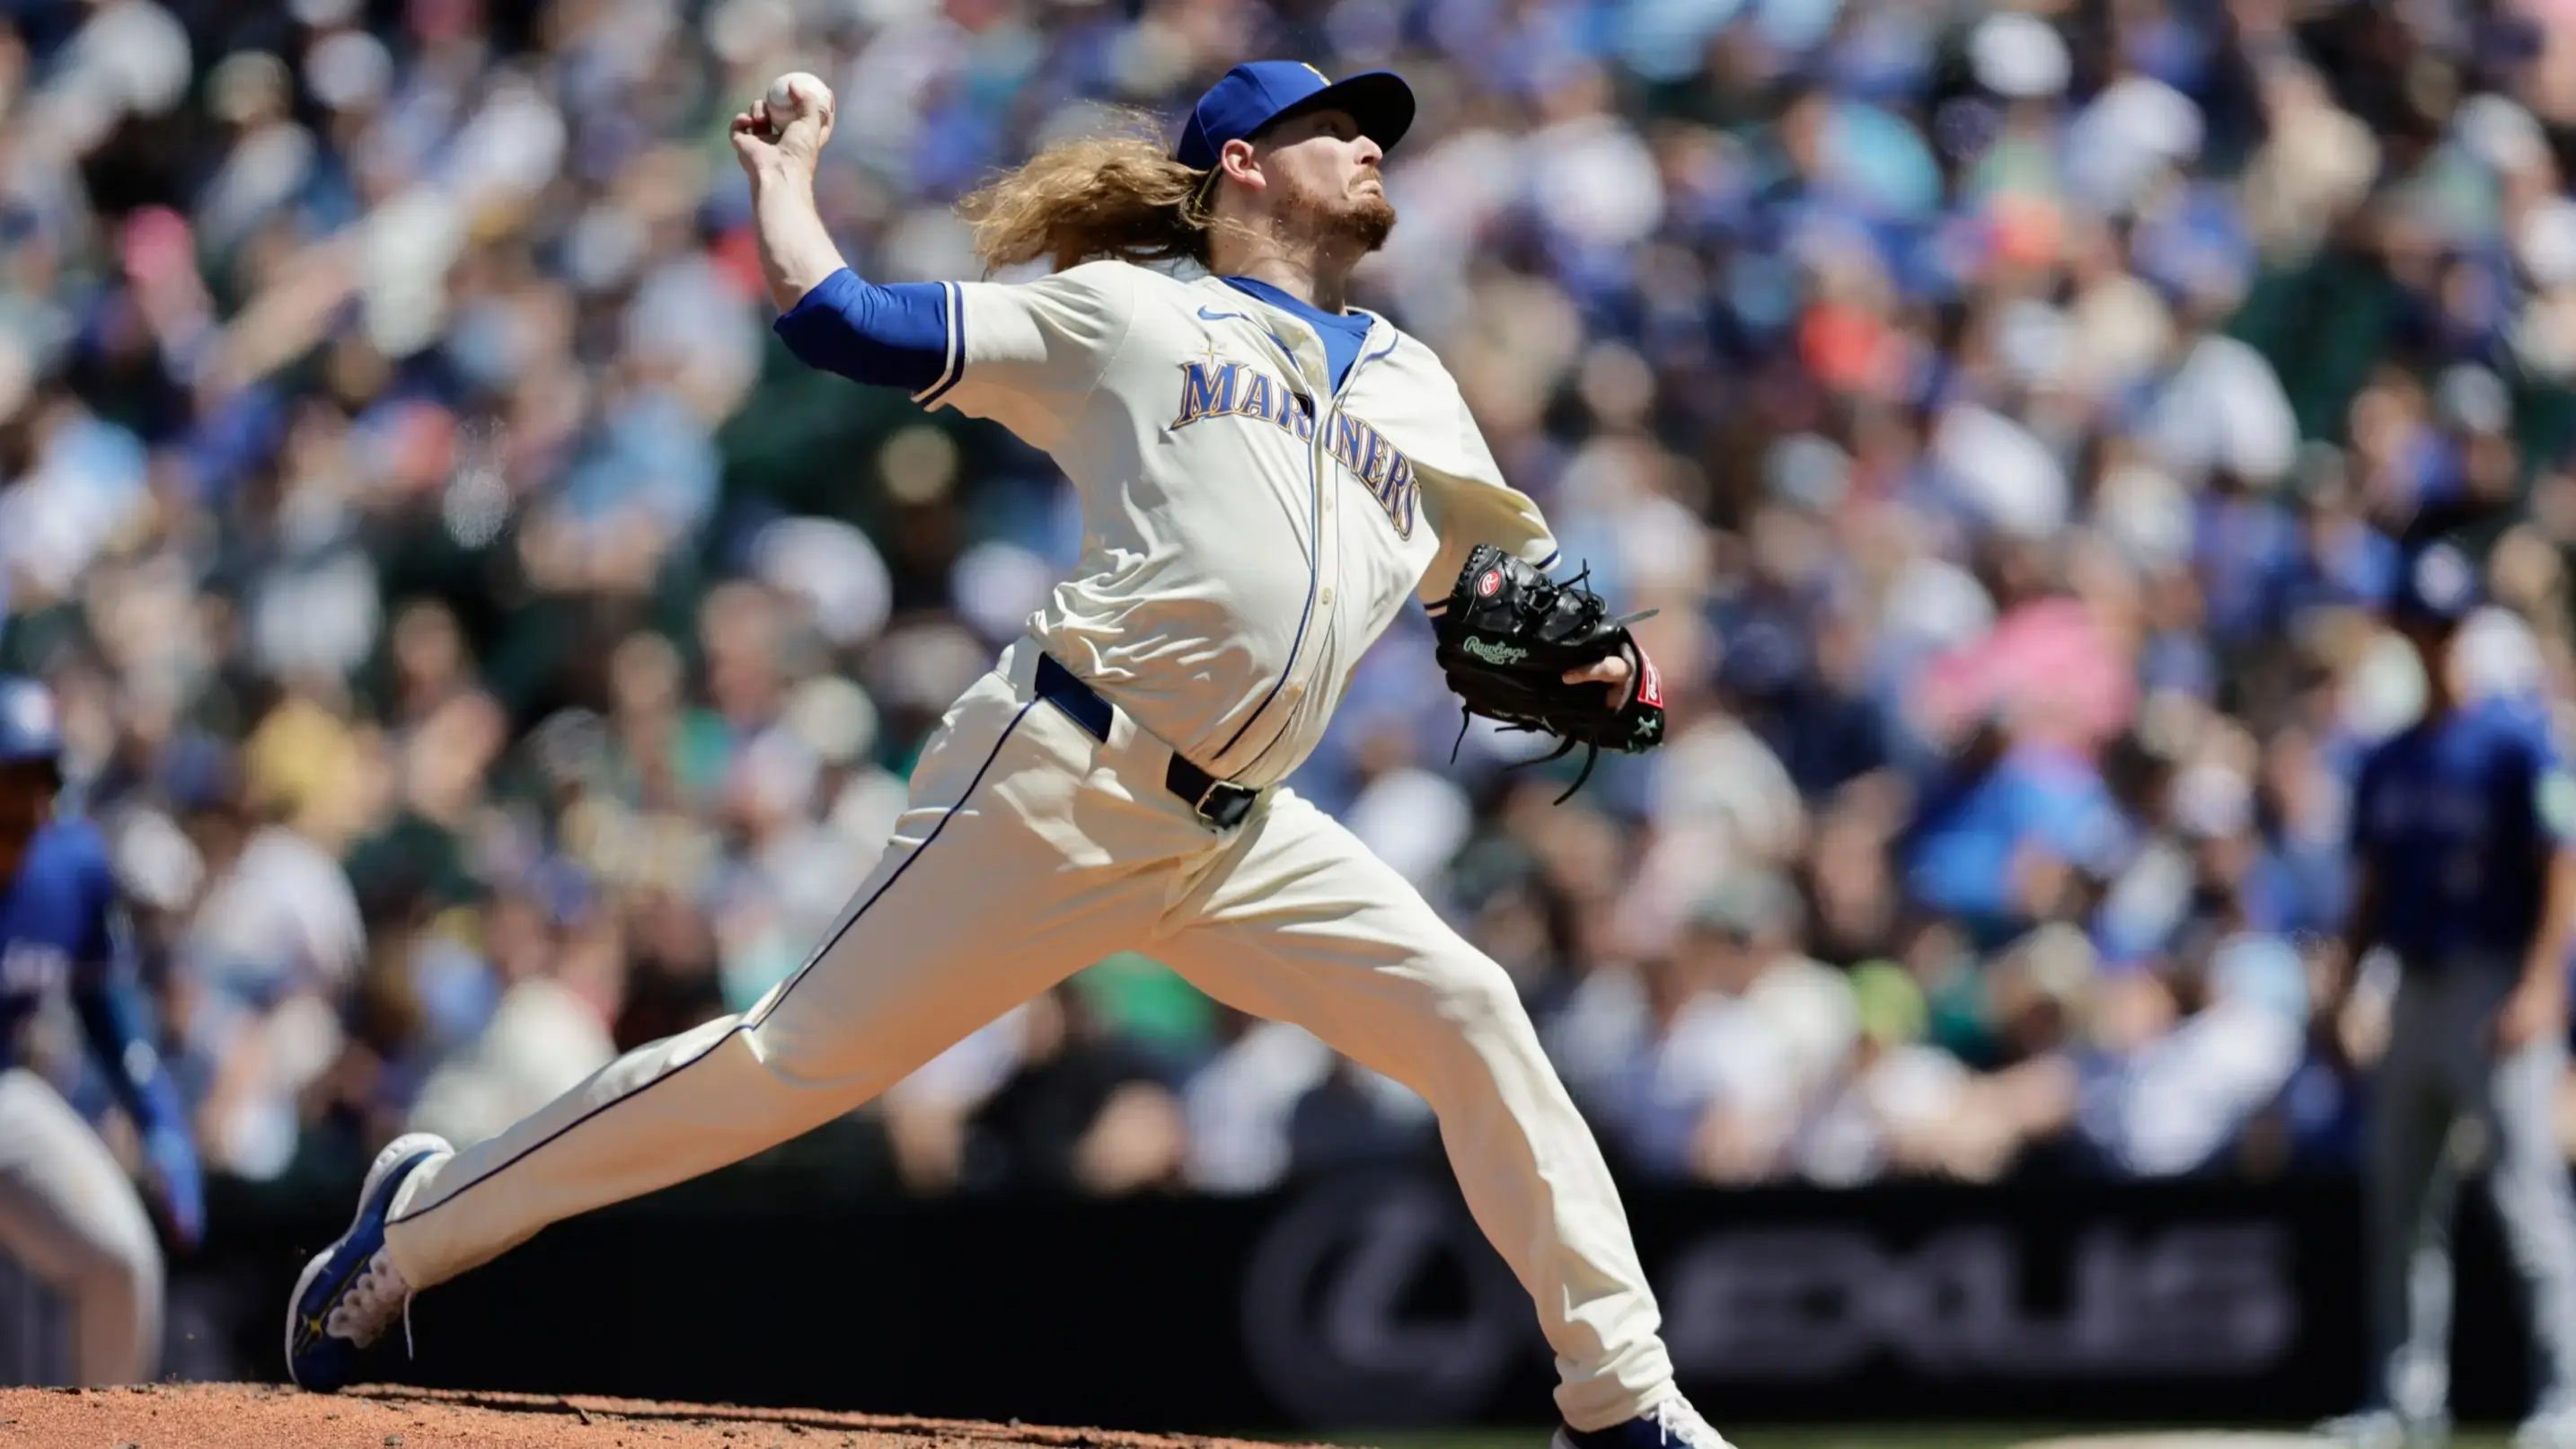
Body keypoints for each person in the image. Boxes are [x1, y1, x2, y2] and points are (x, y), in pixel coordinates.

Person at [284, 60, 1732, 1449]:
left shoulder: (1416, 387)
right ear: (1240, 163)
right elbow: (842, 320)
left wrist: (1612, 661)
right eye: (1336, 125)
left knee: (1472, 1011)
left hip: (1238, 834)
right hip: (1061, 777)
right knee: (782, 1064)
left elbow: (1511, 599)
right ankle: (416, 1224)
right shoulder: (1135, 318)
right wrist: (786, 181)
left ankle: (1619, 1399)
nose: (1371, 145)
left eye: (1376, 130)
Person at [2323, 520, 2576, 1449]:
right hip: (2415, 984)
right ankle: (2402, 1397)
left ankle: (2569, 1393)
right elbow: (2370, 887)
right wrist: (2342, 986)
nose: (2432, 640)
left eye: (2444, 623)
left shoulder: (2514, 739)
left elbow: (2562, 863)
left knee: (2527, 1195)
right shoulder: (2389, 757)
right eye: (2418, 624)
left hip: (2494, 981)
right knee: (2402, 1201)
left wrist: (2544, 985)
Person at [0, 675, 204, 1383]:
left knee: (120, 1261)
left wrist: (161, 1125)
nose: (25, 797)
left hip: (5, 1097)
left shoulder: (73, 866)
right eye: (9, 777)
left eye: (39, 777)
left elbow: (103, 1006)